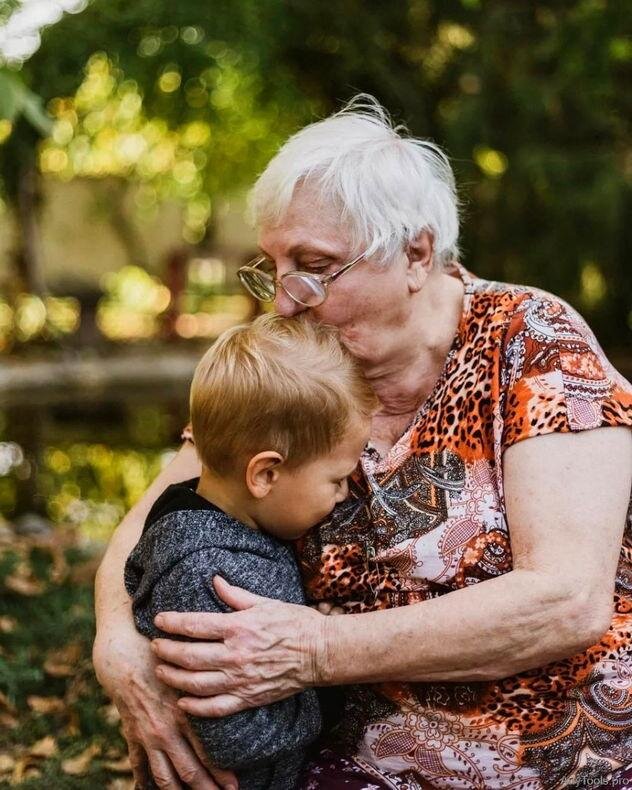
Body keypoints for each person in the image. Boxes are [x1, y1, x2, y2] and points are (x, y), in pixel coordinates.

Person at [93, 96, 632, 790]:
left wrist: (317, 649)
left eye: (315, 265)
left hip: (566, 761)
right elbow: (156, 517)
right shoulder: (297, 366)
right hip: (358, 764)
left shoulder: (531, 343)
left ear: (416, 254)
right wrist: (118, 644)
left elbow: (565, 601)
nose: (286, 299)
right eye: (275, 265)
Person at [123, 313, 374, 789]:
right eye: (336, 479)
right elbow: (233, 739)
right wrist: (330, 684)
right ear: (264, 475)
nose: (343, 493)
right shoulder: (208, 574)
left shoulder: (207, 520)